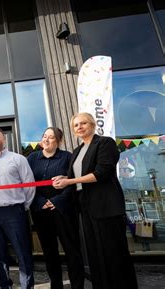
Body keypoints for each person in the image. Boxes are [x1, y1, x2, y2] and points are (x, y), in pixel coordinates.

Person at [53, 112, 137, 289]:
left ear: (92, 124)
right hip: (85, 206)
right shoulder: (77, 151)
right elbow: (75, 175)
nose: (80, 127)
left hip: (106, 205)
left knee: (113, 253)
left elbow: (102, 172)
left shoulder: (105, 143)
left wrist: (69, 181)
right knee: (95, 254)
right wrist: (65, 177)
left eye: (83, 123)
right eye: (76, 125)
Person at [27, 127, 84, 289]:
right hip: (41, 212)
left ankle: (78, 285)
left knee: (71, 251)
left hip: (63, 211)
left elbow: (74, 182)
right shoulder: (32, 158)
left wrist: (57, 201)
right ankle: (56, 285)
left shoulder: (68, 157)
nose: (46, 140)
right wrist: (39, 201)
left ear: (59, 141)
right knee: (49, 252)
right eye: (44, 136)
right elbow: (28, 183)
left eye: (51, 138)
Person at [0, 127, 35, 289]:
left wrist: (23, 206)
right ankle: (5, 285)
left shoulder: (18, 159)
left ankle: (27, 286)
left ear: (3, 138)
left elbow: (30, 185)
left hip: (15, 211)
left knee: (22, 253)